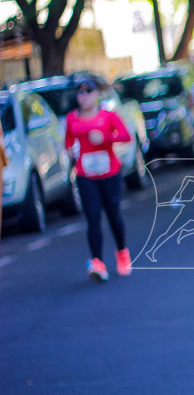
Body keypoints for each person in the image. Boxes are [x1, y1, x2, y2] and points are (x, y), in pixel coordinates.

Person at [65, 78, 134, 281]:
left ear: (97, 95)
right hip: (85, 174)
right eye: (80, 93)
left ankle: (122, 252)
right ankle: (97, 262)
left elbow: (125, 137)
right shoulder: (72, 118)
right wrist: (70, 150)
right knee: (93, 216)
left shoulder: (108, 116)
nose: (84, 96)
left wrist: (105, 138)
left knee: (113, 215)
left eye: (88, 92)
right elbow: (68, 140)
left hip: (109, 172)